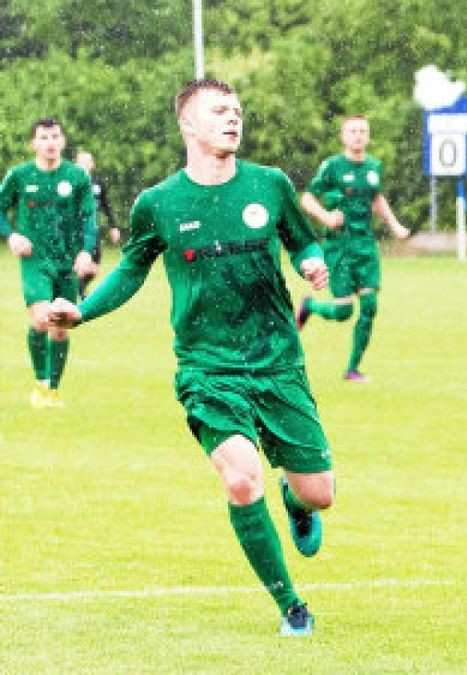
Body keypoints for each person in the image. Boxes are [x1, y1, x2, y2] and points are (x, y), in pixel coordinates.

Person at [45, 79, 334, 637]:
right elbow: (131, 270)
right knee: (241, 480)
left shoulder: (270, 185)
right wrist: (82, 312)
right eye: (219, 110)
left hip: (277, 362)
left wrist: (313, 264)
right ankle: (291, 606)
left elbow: (303, 242)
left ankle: (295, 500)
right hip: (207, 368)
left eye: (237, 110)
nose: (233, 118)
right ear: (188, 125)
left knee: (318, 493)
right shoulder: (158, 203)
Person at [295, 116, 410, 382]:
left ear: (368, 136)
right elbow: (307, 199)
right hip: (339, 247)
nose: (358, 135)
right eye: (353, 131)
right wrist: (326, 217)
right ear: (343, 136)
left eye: (363, 131)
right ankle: (310, 306)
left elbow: (376, 199)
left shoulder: (373, 167)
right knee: (344, 311)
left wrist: (395, 226)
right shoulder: (332, 166)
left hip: (365, 245)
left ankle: (352, 369)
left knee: (369, 305)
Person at [0, 118, 97, 408]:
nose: (50, 143)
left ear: (63, 141)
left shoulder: (77, 177)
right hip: (35, 260)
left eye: (55, 136)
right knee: (42, 318)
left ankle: (53, 389)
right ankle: (40, 383)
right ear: (34, 143)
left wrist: (85, 251)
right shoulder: (20, 176)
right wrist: (12, 235)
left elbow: (89, 218)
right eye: (43, 137)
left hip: (66, 262)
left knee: (60, 327)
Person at [74, 150, 122, 296]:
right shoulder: (71, 183)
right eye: (81, 162)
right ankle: (79, 291)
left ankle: (78, 287)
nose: (84, 165)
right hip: (75, 230)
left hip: (92, 229)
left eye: (87, 161)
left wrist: (114, 226)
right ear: (76, 164)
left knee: (94, 267)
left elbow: (106, 205)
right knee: (79, 262)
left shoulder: (97, 184)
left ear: (92, 164)